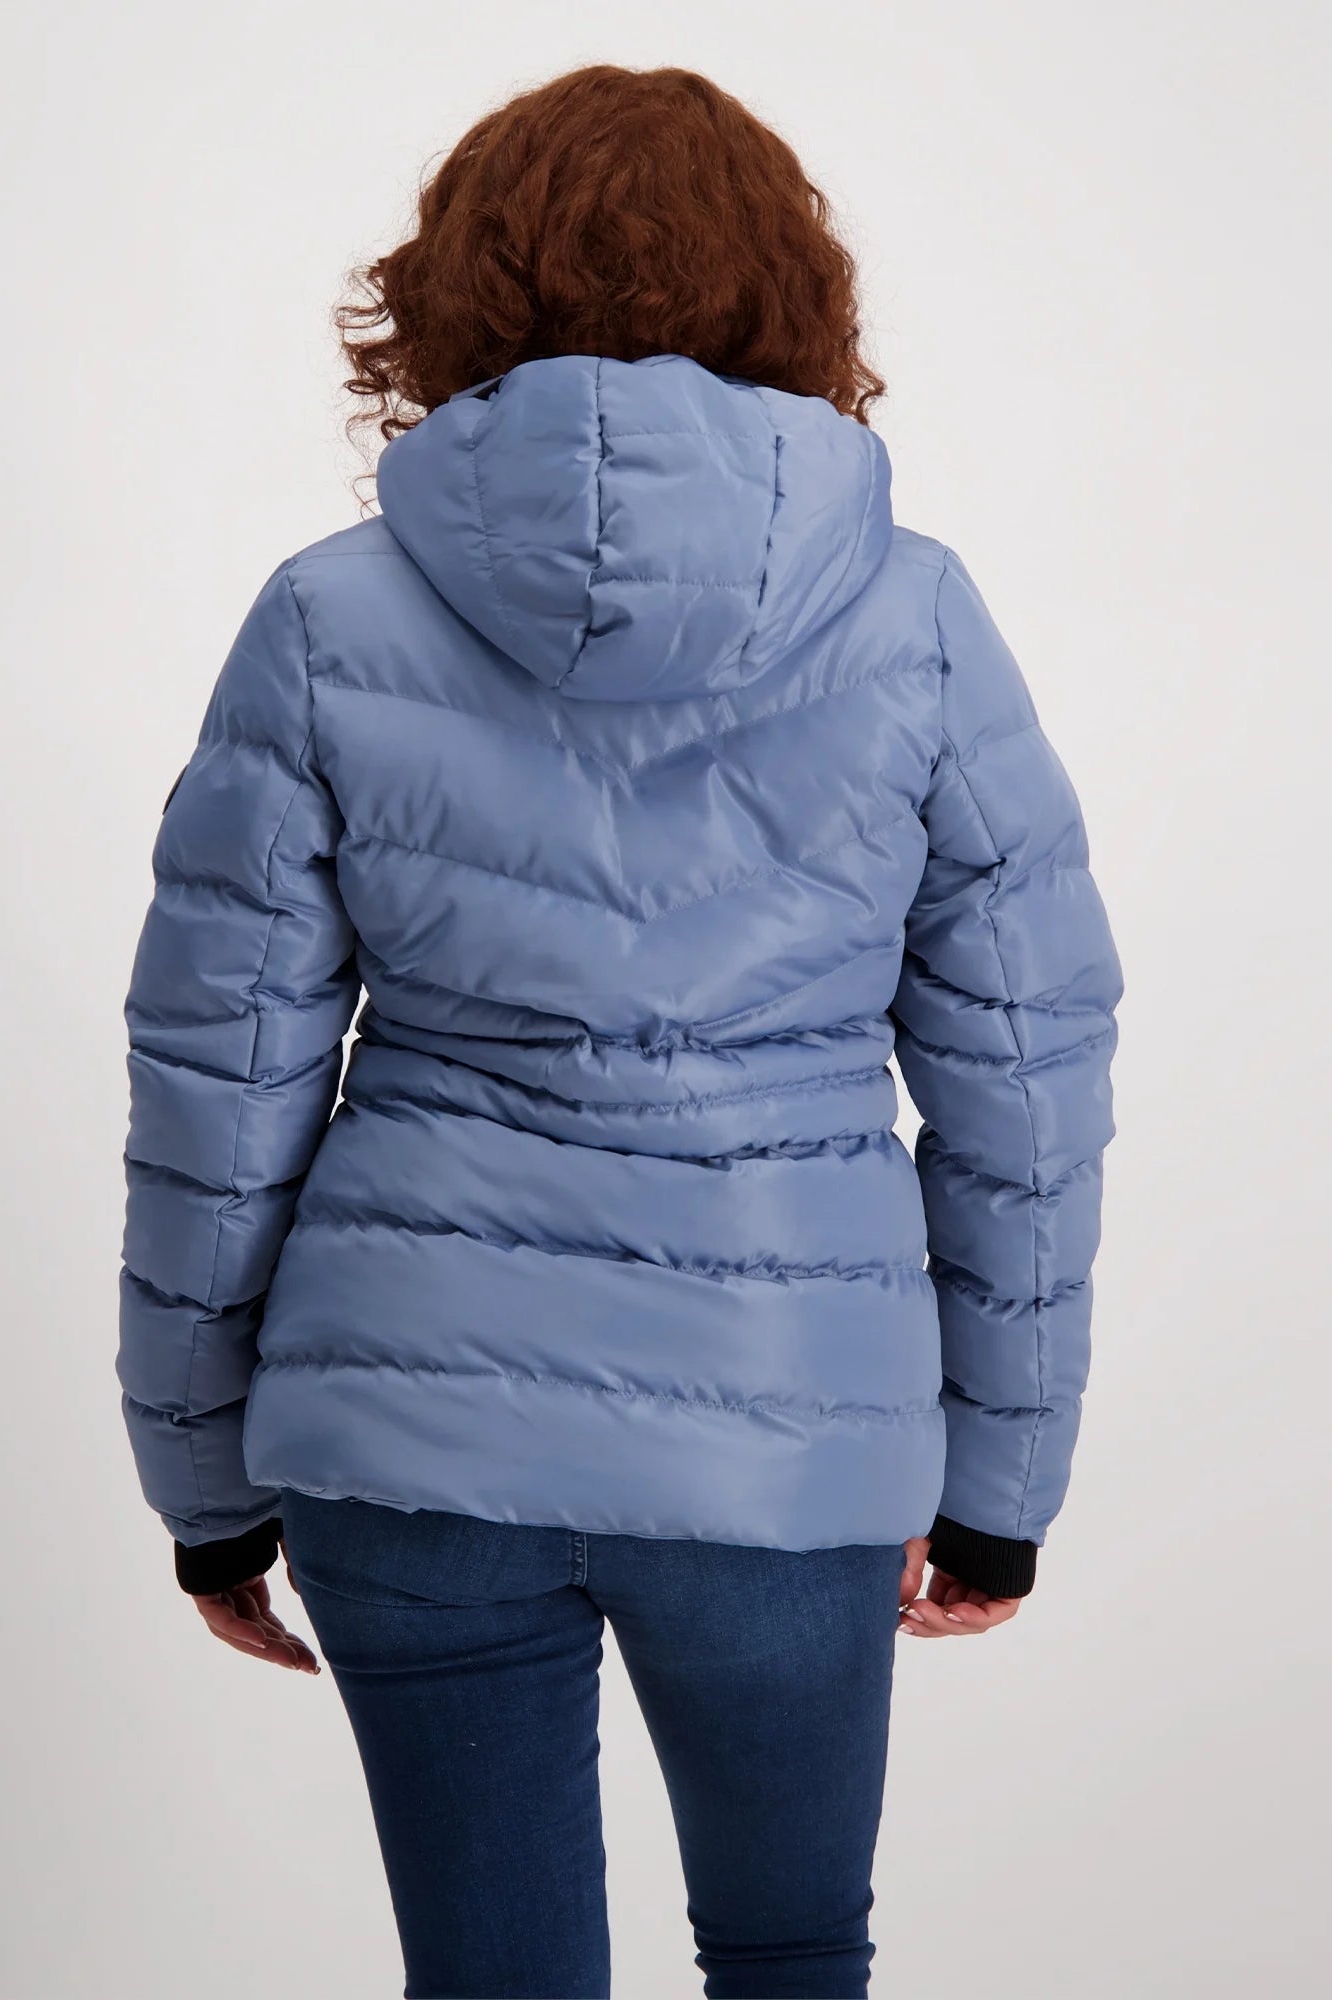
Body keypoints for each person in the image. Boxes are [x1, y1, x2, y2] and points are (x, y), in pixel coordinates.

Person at [117, 62, 1120, 2000]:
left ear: (452, 288)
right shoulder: (915, 619)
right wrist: (1003, 1483)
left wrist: (202, 1476)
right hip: (789, 1419)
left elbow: (217, 1085)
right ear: (791, 289)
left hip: (411, 1424)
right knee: (789, 1950)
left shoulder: (326, 618)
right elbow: (1025, 1082)